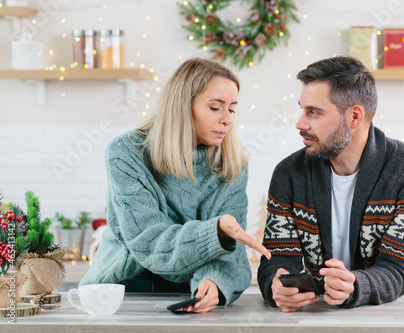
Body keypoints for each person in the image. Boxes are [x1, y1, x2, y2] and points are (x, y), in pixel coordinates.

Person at [80, 58, 271, 313]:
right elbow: (148, 241)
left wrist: (213, 281)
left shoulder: (233, 163)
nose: (227, 119)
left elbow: (232, 252)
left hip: (193, 290)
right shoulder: (126, 153)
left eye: (232, 109)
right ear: (182, 106)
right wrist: (215, 231)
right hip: (123, 290)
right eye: (215, 107)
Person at [257, 56, 404, 311]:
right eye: (302, 110)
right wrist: (275, 286)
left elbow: (398, 269)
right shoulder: (289, 174)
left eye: (314, 112)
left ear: (354, 116)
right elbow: (276, 258)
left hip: (402, 314)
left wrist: (356, 285)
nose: (300, 123)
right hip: (323, 313)